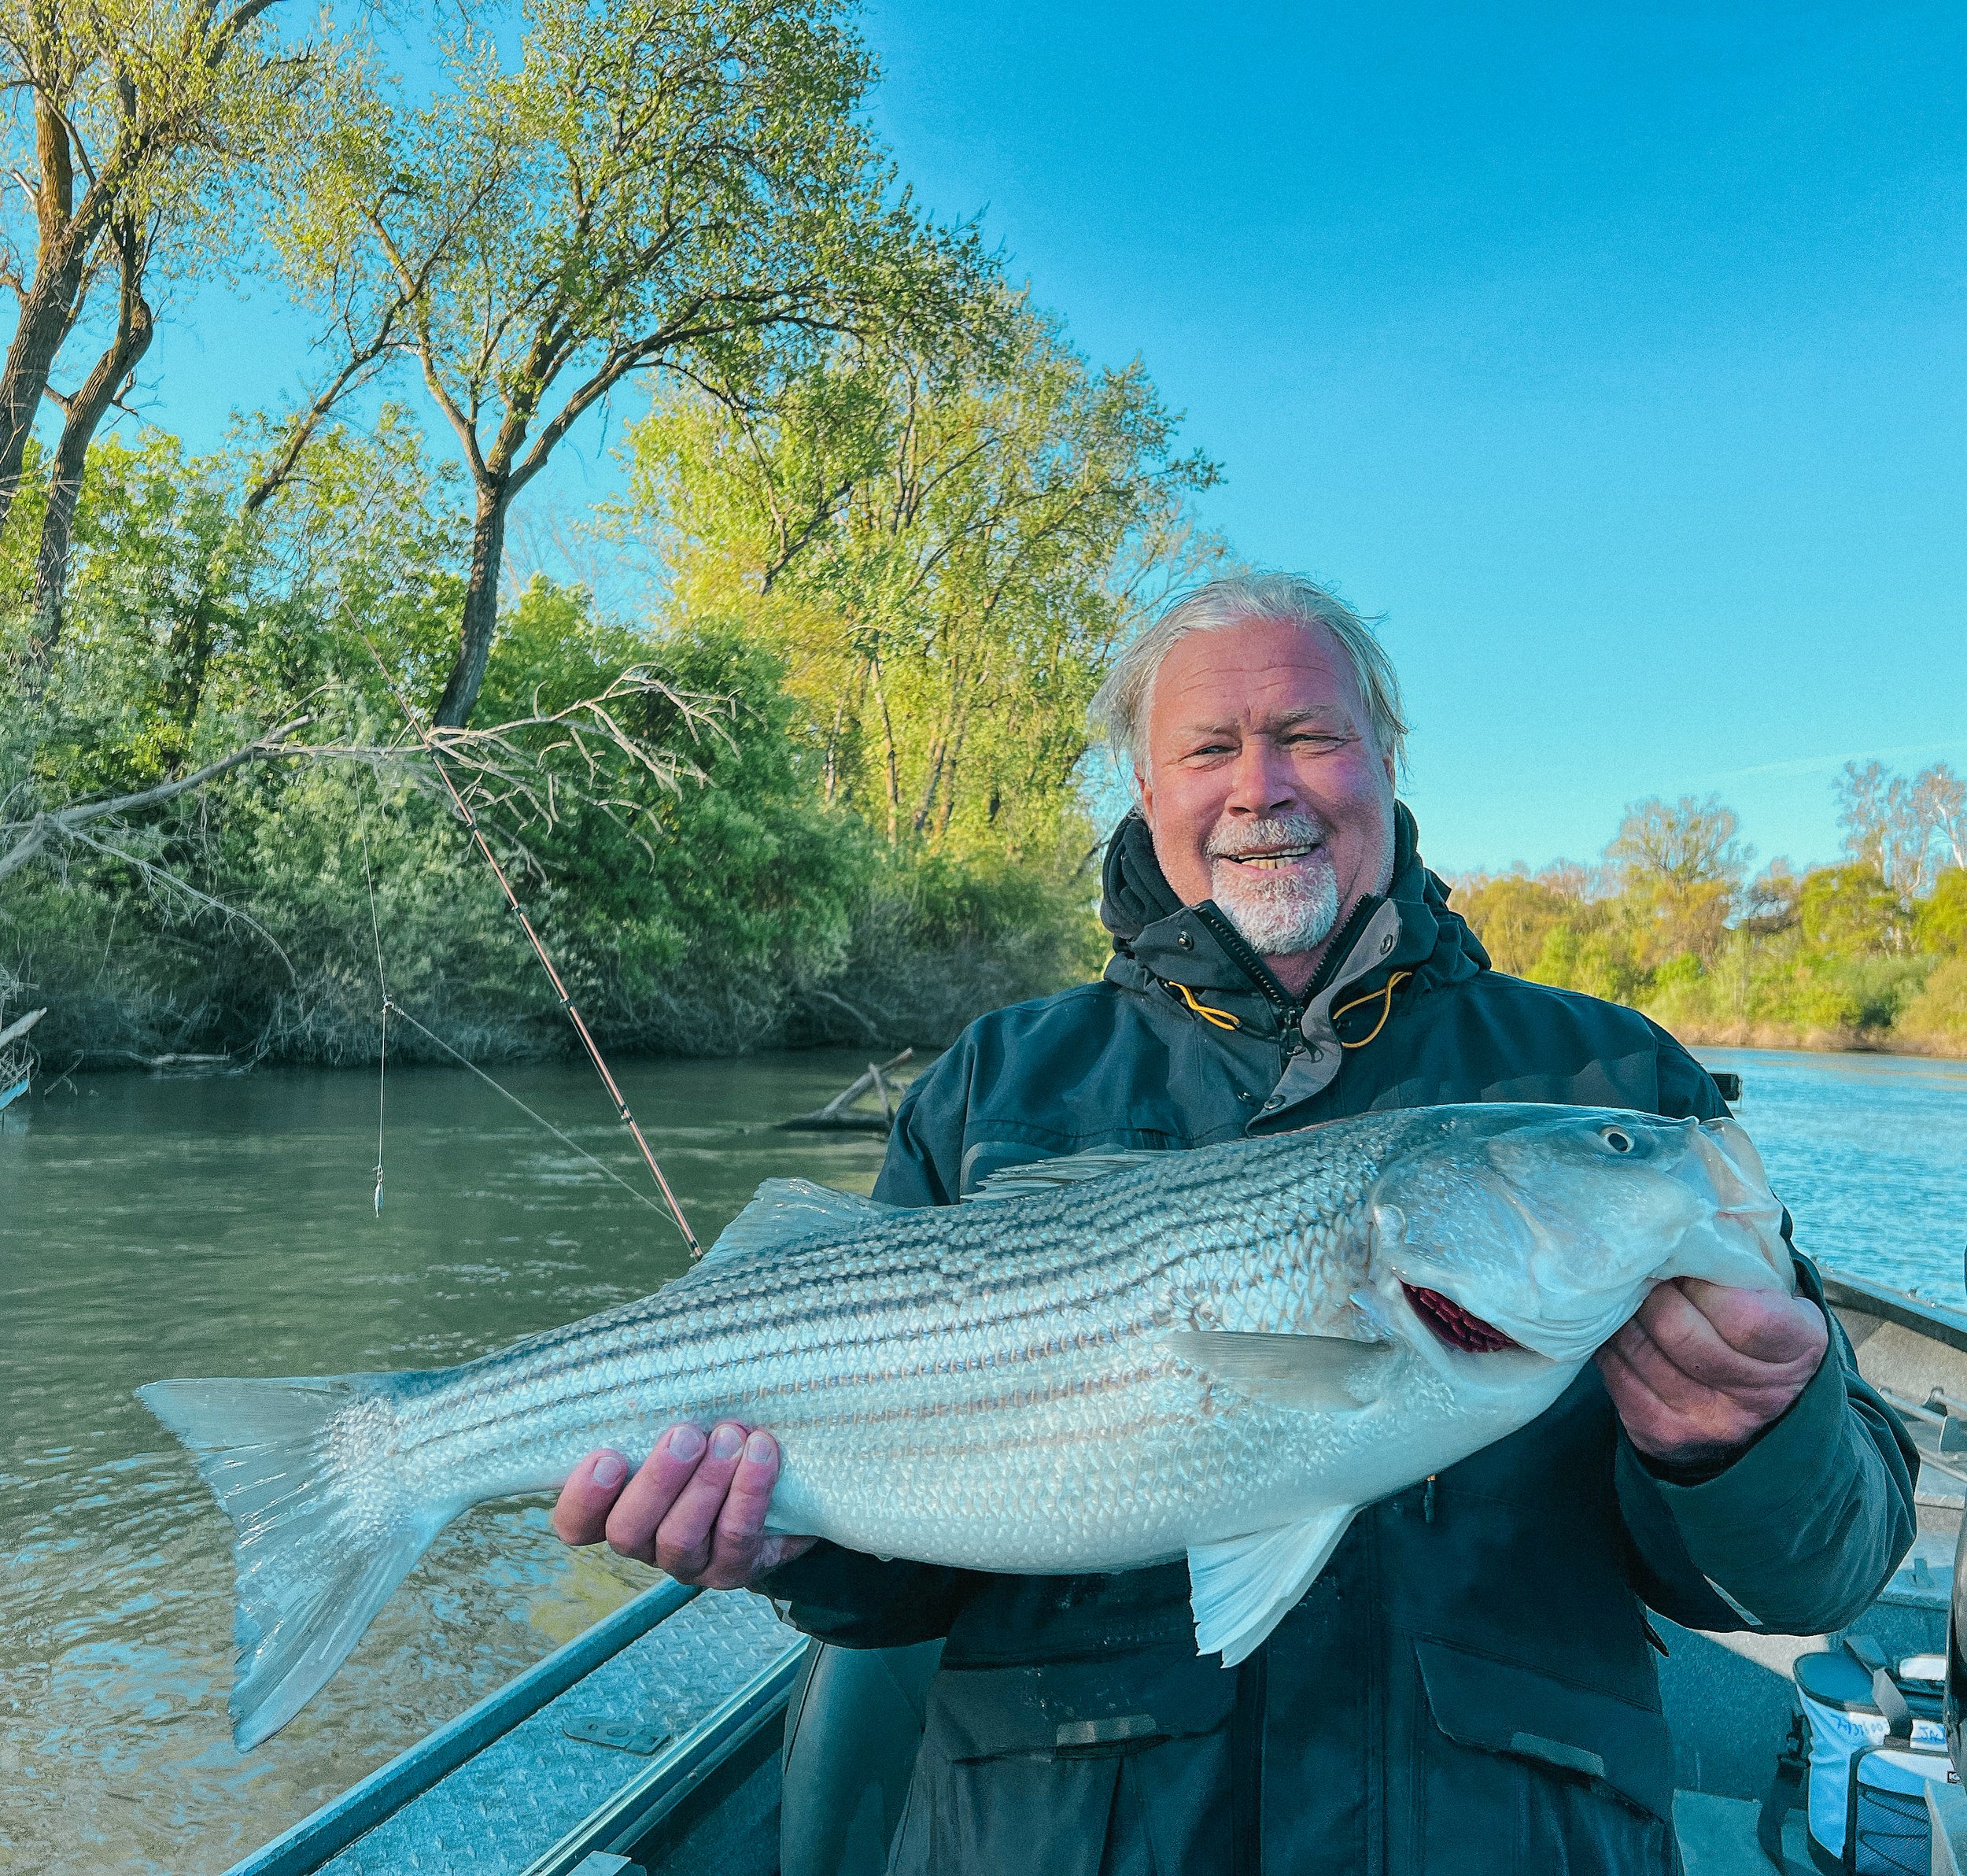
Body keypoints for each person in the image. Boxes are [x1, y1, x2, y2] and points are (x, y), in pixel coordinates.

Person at [552, 574, 1916, 1874]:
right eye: (1209, 748)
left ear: (1385, 757)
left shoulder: (1613, 1085)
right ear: (1149, 793)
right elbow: (891, 1597)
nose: (1261, 787)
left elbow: (1828, 1569)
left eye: (1309, 736)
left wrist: (1748, 1447)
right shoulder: (994, 1083)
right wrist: (787, 1547)